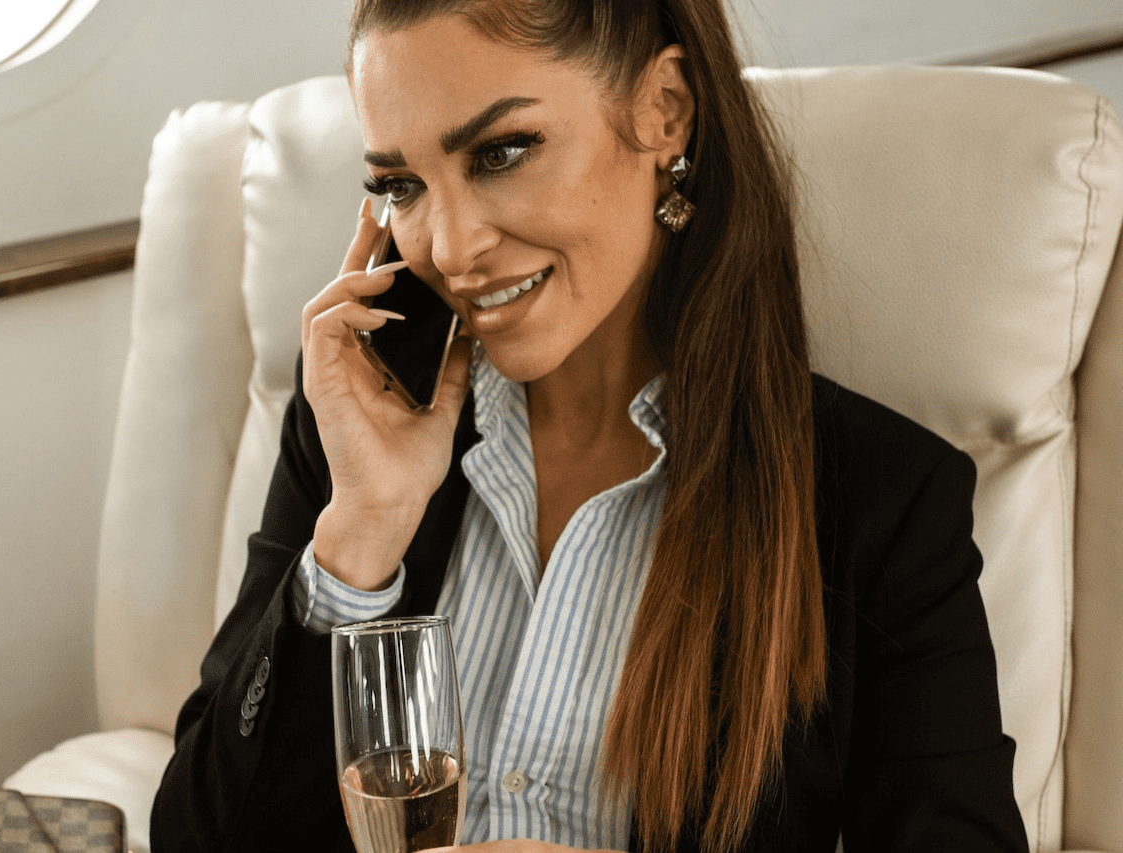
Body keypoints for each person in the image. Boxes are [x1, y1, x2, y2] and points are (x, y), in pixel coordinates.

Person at [151, 1, 1031, 851]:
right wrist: (363, 531)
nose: (450, 248)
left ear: (664, 111)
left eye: (501, 152)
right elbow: (198, 839)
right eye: (401, 186)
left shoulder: (882, 505)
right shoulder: (356, 430)